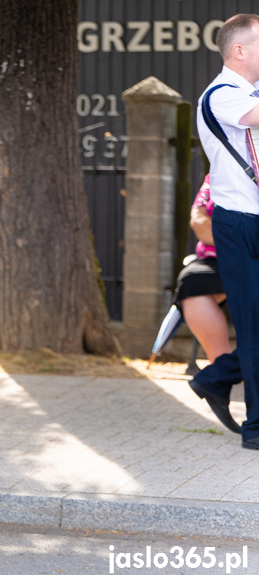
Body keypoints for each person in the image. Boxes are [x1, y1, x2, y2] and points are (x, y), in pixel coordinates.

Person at [195, 13, 259, 449]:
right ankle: (256, 429)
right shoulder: (222, 95)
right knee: (253, 326)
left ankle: (216, 377)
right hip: (239, 222)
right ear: (239, 50)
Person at [175, 175, 231, 364]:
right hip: (219, 257)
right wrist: (239, 246)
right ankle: (222, 368)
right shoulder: (215, 176)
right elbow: (199, 221)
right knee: (191, 281)